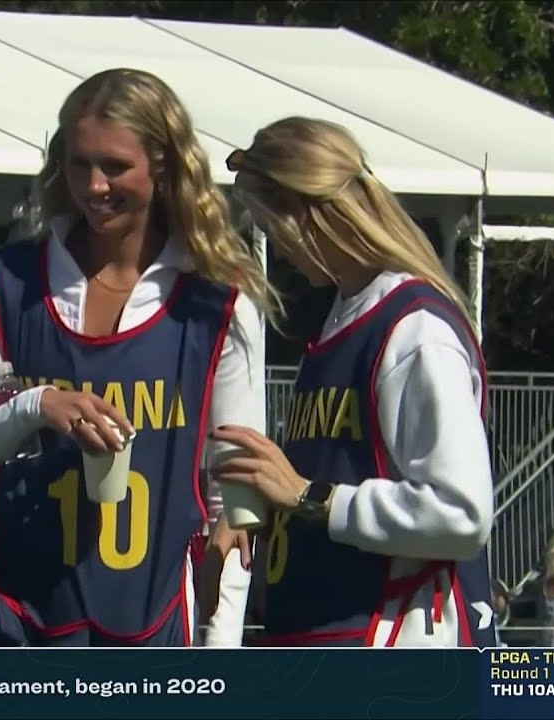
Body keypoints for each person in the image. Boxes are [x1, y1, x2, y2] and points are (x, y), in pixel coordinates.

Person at [0, 68, 273, 647]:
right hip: (20, 618)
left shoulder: (219, 298)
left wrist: (221, 653)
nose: (93, 186)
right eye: (80, 163)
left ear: (162, 164)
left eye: (114, 166)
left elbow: (232, 502)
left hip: (157, 618)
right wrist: (35, 407)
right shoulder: (9, 283)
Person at [203, 117, 496, 647]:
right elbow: (333, 484)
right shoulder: (344, 318)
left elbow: (461, 514)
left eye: (271, 222)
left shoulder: (415, 329)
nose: (273, 242)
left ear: (305, 210)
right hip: (326, 637)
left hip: (394, 653)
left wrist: (307, 497)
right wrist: (264, 508)